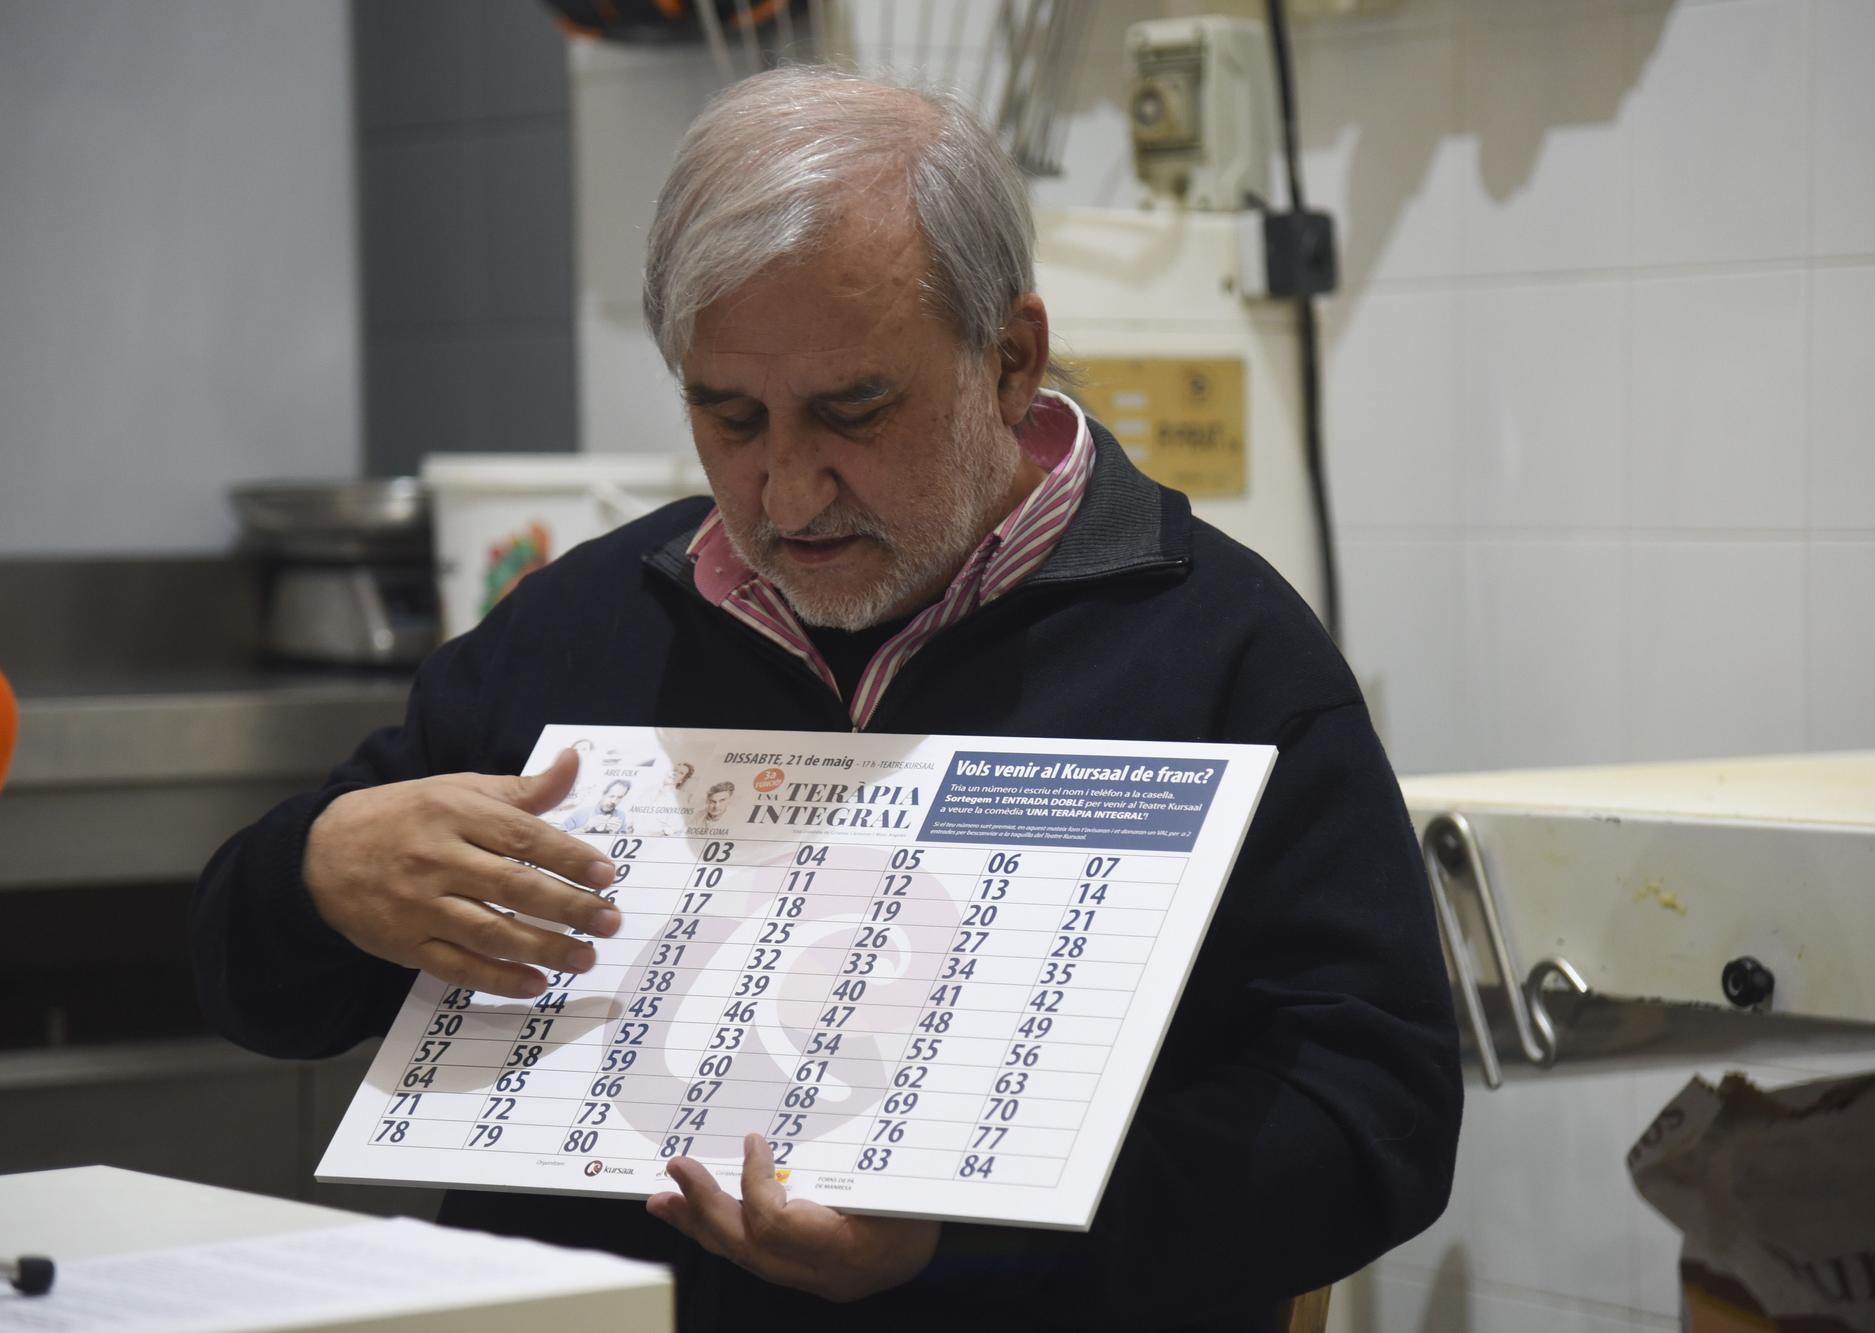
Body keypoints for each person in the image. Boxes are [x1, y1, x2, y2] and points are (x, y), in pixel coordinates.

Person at [192, 67, 1461, 1332]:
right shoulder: (592, 625)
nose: (787, 495)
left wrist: (967, 1236)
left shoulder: (1212, 652)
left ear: (1008, 357)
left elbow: (1372, 1113)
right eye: (728, 416)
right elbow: (258, 991)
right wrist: (316, 879)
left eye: (853, 411)